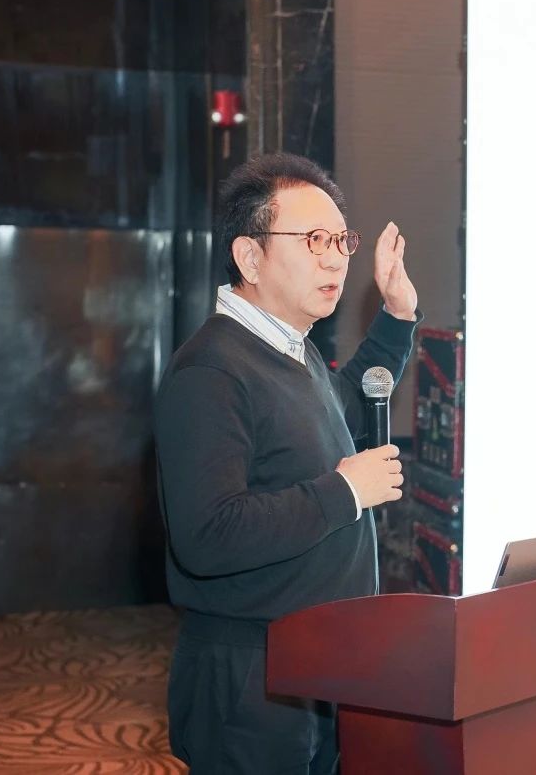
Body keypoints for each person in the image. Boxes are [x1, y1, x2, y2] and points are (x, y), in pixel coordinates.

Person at [154, 152, 420, 773]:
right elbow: (207, 535)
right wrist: (344, 493)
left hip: (313, 662)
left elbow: (345, 408)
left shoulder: (289, 351)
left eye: (341, 241)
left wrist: (397, 316)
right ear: (250, 258)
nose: (335, 259)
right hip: (251, 675)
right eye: (313, 240)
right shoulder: (212, 370)